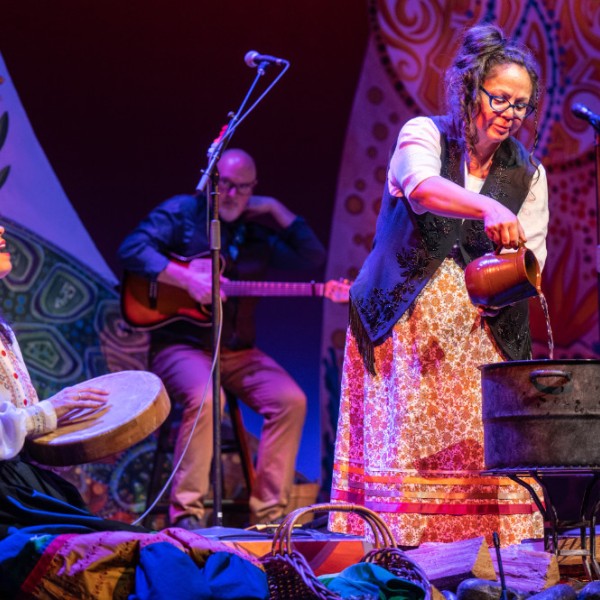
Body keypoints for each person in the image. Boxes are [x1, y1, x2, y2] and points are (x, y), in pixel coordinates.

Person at [329, 23, 549, 547]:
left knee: (473, 449)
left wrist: (510, 273)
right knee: (406, 443)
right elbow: (422, 189)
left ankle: (478, 559)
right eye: (500, 98)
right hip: (405, 322)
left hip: (478, 327)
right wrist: (488, 206)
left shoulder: (529, 173)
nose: (509, 113)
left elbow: (531, 253)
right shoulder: (423, 134)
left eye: (521, 104)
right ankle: (399, 550)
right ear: (472, 92)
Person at [118, 148, 326, 529]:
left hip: (236, 352)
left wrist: (277, 209)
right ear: (211, 181)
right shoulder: (182, 212)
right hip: (181, 347)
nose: (232, 195)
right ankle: (188, 517)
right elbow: (132, 249)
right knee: (206, 398)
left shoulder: (255, 230)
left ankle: (269, 518)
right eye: (225, 184)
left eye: (242, 188)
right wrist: (186, 279)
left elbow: (312, 257)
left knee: (291, 400)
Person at [0, 225, 149, 537]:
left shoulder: (4, 331)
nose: (2, 229)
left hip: (18, 481)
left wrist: (74, 432)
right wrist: (48, 411)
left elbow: (16, 427)